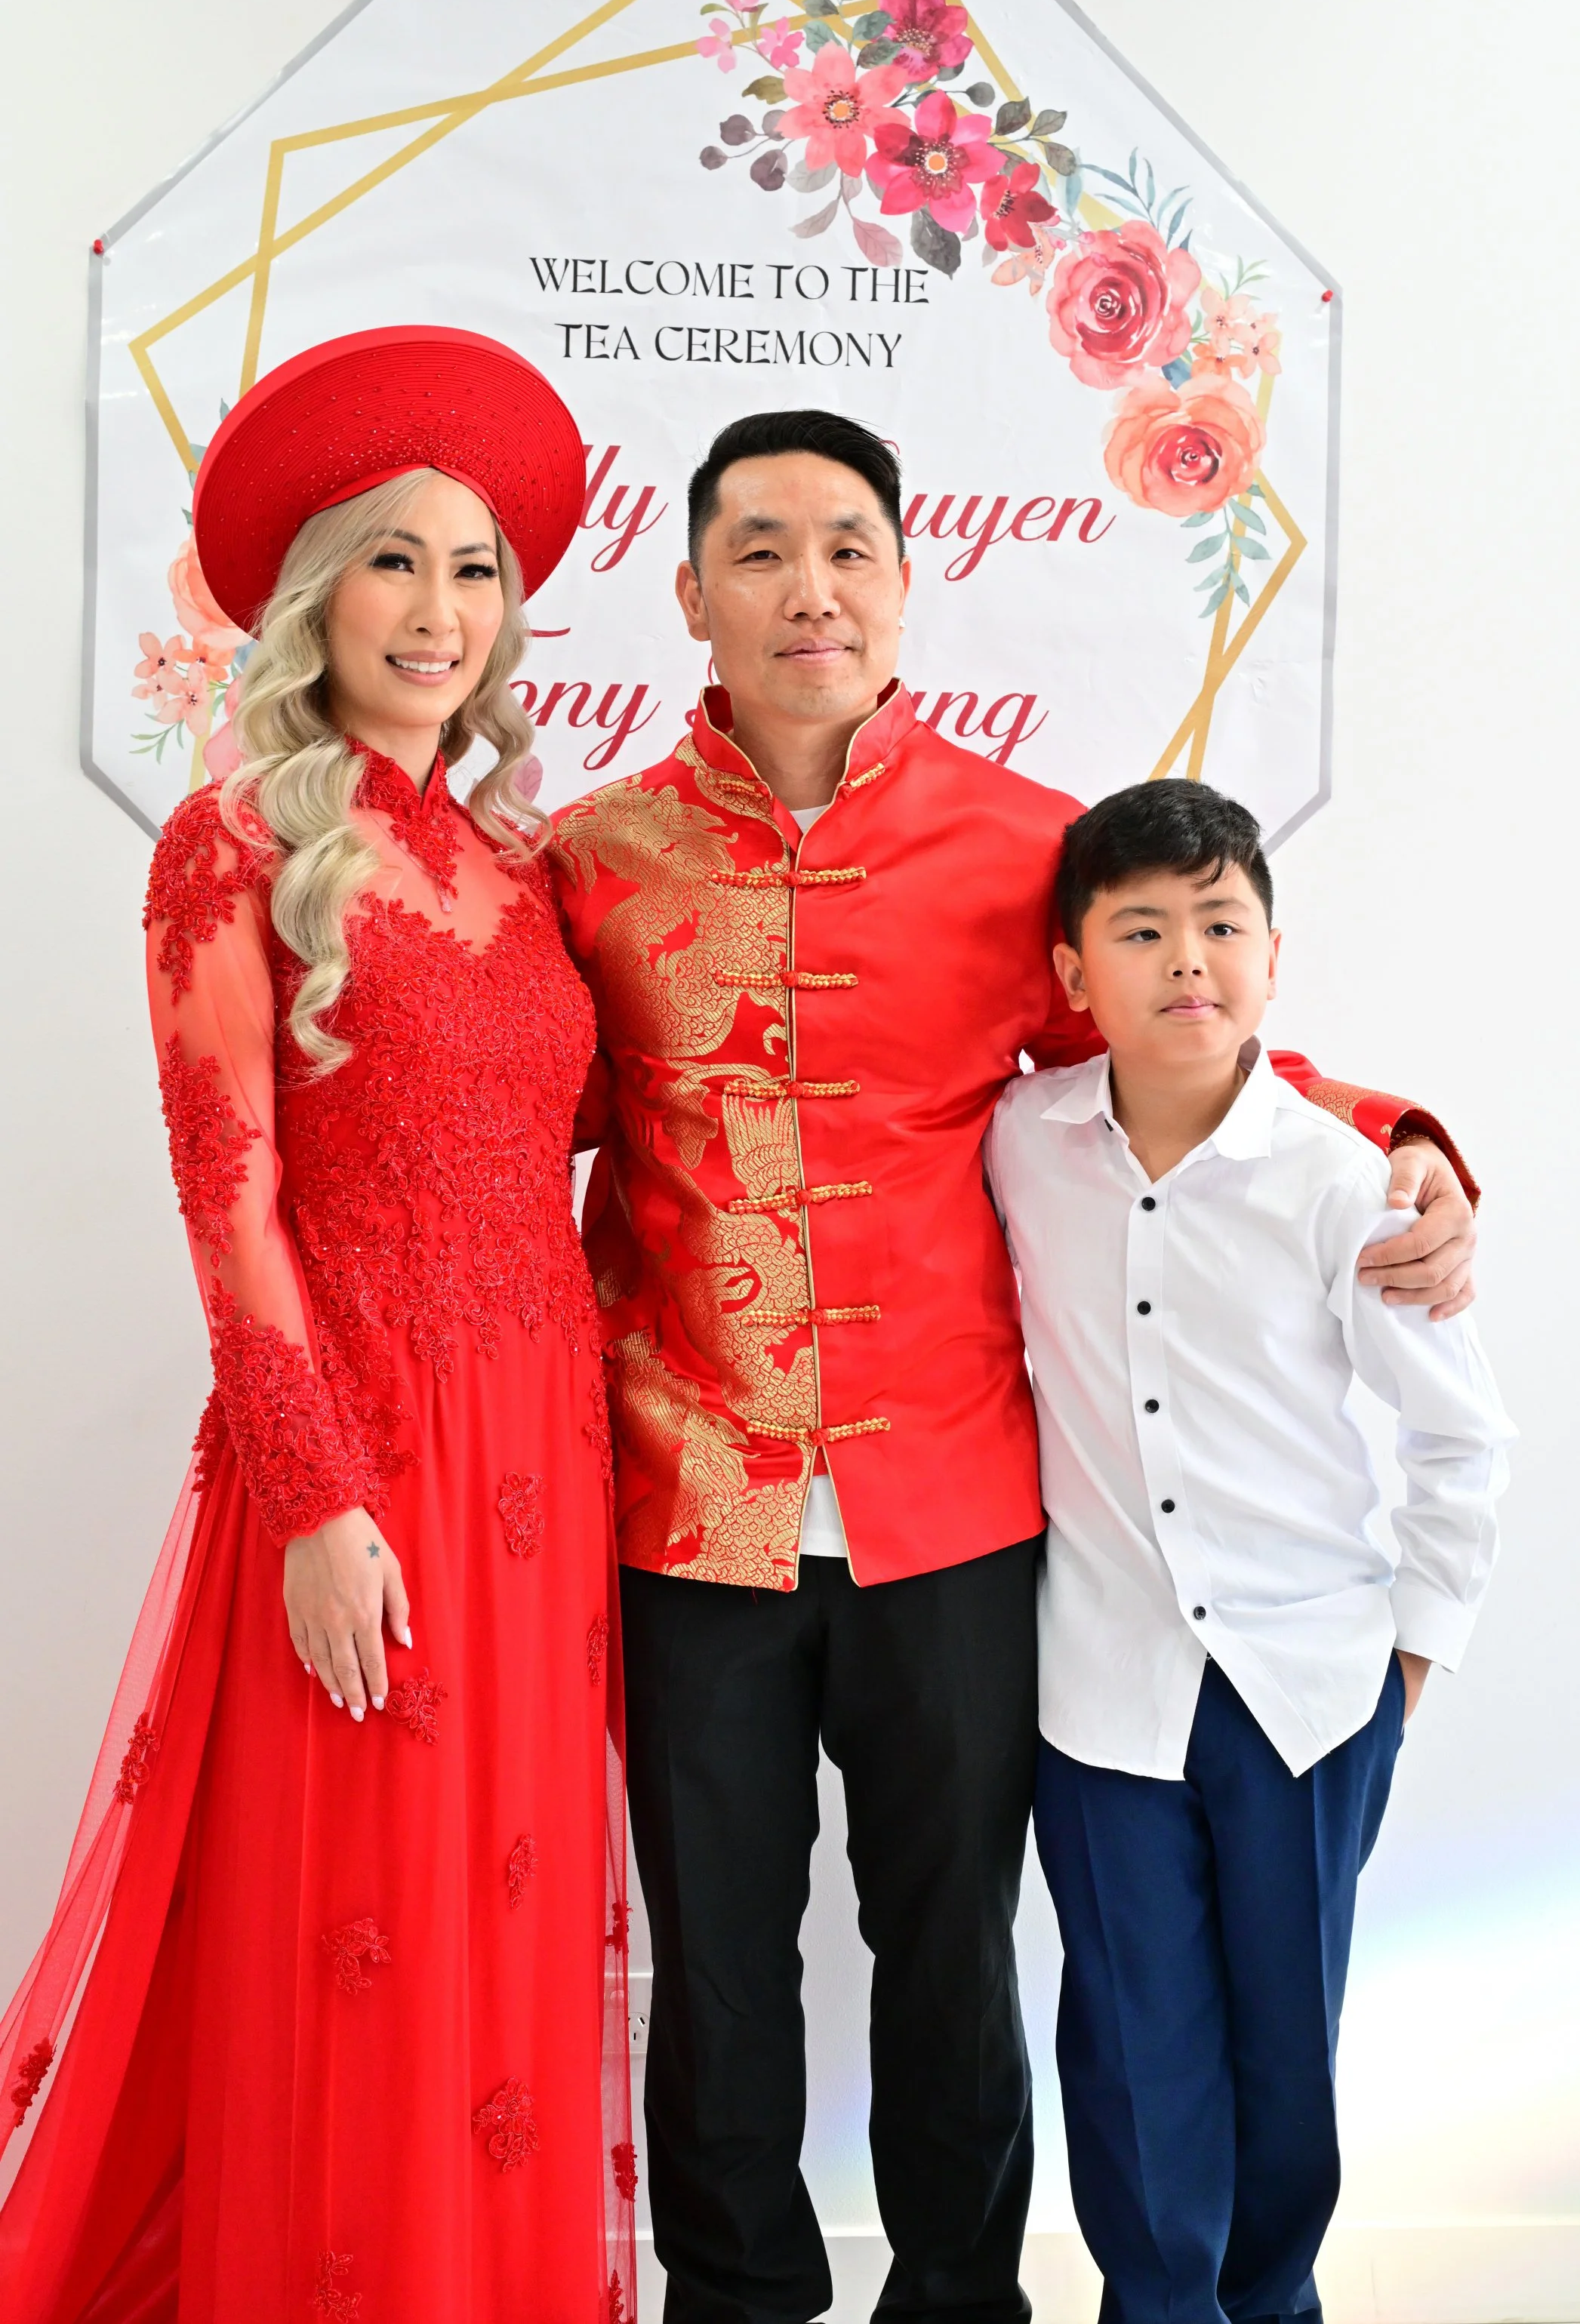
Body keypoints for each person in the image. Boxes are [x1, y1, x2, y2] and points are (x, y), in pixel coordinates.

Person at [550, 408, 1482, 2324]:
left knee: (951, 1950)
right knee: (715, 1958)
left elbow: (1187, 1044)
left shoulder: (1011, 848)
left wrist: (1396, 1123)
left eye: (847, 547)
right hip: (682, 1496)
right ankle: (734, 2295)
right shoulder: (597, 858)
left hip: (958, 1511)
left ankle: (960, 2296)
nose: (809, 586)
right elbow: (502, 1121)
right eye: (760, 549)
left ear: (904, 581)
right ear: (689, 593)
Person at [0, 328, 633, 2322]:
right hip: (355, 1448)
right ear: (313, 598)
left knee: (504, 1913)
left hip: (543, 1445)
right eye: (392, 562)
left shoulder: (530, 870)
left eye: (473, 572)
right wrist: (315, 1497)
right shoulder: (238, 850)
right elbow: (228, 1191)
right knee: (359, 1912)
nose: (439, 612)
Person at [985, 779, 1511, 2324]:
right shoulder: (1018, 1145)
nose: (1186, 961)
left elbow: (1457, 1439)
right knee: (1132, 2039)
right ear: (1073, 975)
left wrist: (1409, 1658)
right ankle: (1159, 2304)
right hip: (1099, 1688)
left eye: (1219, 926)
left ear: (1272, 958)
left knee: (1284, 2043)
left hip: (1308, 1688)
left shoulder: (1346, 1183)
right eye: (1139, 931)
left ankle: (1269, 2300)